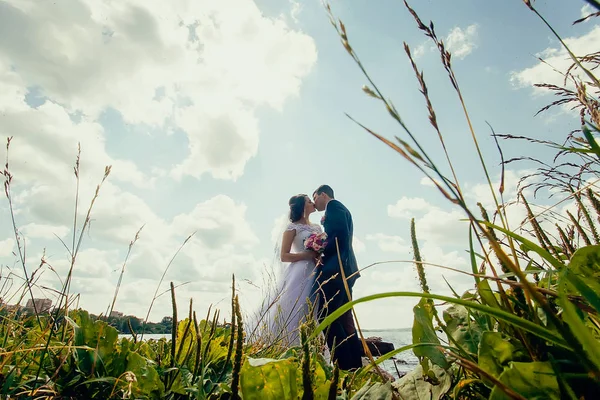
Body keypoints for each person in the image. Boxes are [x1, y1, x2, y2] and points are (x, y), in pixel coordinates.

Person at [249, 194, 322, 347]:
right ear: (303, 206)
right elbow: (284, 256)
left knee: (313, 308)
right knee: (293, 307)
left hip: (316, 270)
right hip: (299, 272)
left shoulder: (317, 227)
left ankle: (312, 345)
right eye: (309, 201)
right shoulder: (292, 228)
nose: (313, 203)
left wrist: (318, 255)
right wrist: (307, 254)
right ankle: (286, 343)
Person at [312, 184, 363, 370]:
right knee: (343, 317)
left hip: (337, 269)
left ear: (323, 194)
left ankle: (344, 364)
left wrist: (317, 247)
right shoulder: (341, 208)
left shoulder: (334, 208)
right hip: (346, 268)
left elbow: (335, 237)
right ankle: (354, 364)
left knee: (326, 315)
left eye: (314, 196)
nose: (314, 201)